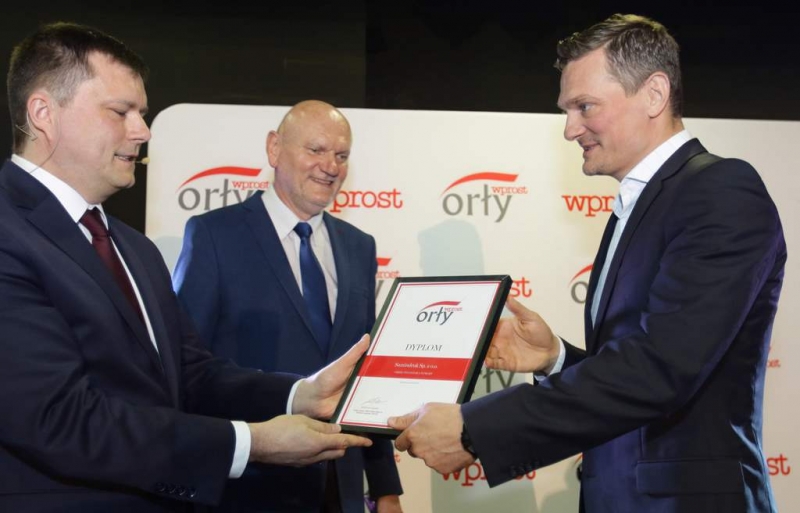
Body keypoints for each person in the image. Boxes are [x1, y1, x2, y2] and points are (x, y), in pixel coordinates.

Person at [389, 14, 786, 513]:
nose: (570, 129)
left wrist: (474, 429)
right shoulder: (639, 207)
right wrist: (556, 358)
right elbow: (639, 373)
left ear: (654, 94)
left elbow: (661, 371)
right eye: (567, 110)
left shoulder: (720, 191)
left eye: (584, 106)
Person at [0, 22, 373, 512]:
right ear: (43, 113)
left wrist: (300, 395)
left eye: (142, 113)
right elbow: (59, 419)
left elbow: (191, 373)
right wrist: (251, 442)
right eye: (121, 112)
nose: (143, 131)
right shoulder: (8, 233)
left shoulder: (133, 248)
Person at [173, 100, 403, 513]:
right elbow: (184, 367)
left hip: (340, 488)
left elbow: (365, 375)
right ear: (275, 149)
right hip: (248, 488)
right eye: (316, 149)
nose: (330, 166)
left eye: (341, 155)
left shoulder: (359, 247)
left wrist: (386, 487)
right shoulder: (214, 235)